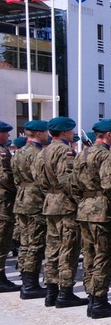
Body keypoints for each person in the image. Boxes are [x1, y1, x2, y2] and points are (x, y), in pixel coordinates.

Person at [72, 119, 111, 318]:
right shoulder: (106, 156)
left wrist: (84, 200)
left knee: (89, 255)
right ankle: (99, 300)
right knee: (104, 255)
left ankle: (92, 295)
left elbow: (73, 185)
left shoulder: (81, 154)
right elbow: (110, 184)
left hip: (84, 209)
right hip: (102, 210)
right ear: (110, 134)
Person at [33, 116, 88, 308]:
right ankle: (65, 292)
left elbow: (37, 178)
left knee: (52, 248)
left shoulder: (44, 151)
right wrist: (79, 200)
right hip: (65, 205)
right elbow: (68, 180)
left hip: (50, 202)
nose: (73, 133)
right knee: (68, 248)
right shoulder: (65, 151)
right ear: (64, 132)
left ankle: (51, 291)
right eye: (71, 131)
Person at [12, 120, 50, 300]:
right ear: (39, 133)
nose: (47, 135)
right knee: (35, 243)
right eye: (45, 132)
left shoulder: (18, 153)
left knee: (25, 243)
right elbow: (42, 179)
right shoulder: (36, 153)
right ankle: (30, 285)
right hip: (34, 201)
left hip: (21, 199)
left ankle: (26, 281)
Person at [0, 120, 20, 293]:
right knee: (2, 238)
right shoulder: (2, 153)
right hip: (3, 202)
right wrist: (17, 188)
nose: (8, 136)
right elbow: (5, 177)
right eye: (5, 133)